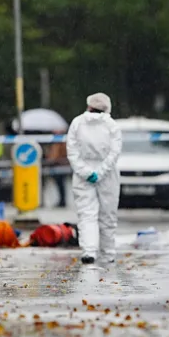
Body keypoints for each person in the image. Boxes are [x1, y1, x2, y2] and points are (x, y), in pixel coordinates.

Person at [66, 93, 122, 265]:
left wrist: (85, 172)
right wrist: (101, 171)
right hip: (108, 173)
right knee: (108, 214)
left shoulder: (77, 123)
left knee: (86, 214)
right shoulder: (111, 125)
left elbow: (72, 151)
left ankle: (89, 251)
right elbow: (114, 152)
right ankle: (108, 253)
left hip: (82, 173)